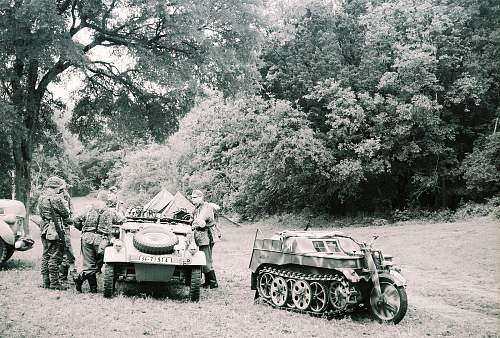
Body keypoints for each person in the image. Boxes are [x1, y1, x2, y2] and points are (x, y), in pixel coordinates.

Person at [73, 193, 124, 293]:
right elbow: (121, 220)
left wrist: (82, 229)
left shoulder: (87, 208)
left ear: (98, 198)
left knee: (89, 265)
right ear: (107, 200)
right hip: (102, 240)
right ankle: (92, 288)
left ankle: (82, 281)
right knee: (97, 265)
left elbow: (76, 220)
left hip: (87, 238)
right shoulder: (110, 211)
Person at [37, 176, 72, 290]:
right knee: (55, 257)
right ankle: (55, 283)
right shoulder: (56, 199)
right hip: (54, 229)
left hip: (45, 228)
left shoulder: (41, 198)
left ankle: (46, 282)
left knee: (46, 255)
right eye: (60, 188)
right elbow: (65, 214)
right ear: (56, 187)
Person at [190, 189, 218, 289]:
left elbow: (201, 219)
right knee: (203, 257)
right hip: (201, 235)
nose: (192, 199)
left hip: (207, 235)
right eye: (192, 197)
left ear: (201, 197)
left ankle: (212, 282)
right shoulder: (197, 208)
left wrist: (196, 222)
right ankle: (208, 282)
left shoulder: (206, 207)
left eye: (195, 197)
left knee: (206, 258)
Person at [58, 182, 77, 282]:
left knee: (68, 250)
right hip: (55, 228)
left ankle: (69, 273)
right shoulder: (53, 198)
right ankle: (60, 276)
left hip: (65, 227)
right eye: (60, 189)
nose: (62, 191)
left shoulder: (66, 197)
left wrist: (71, 221)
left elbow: (71, 210)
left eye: (63, 189)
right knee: (58, 251)